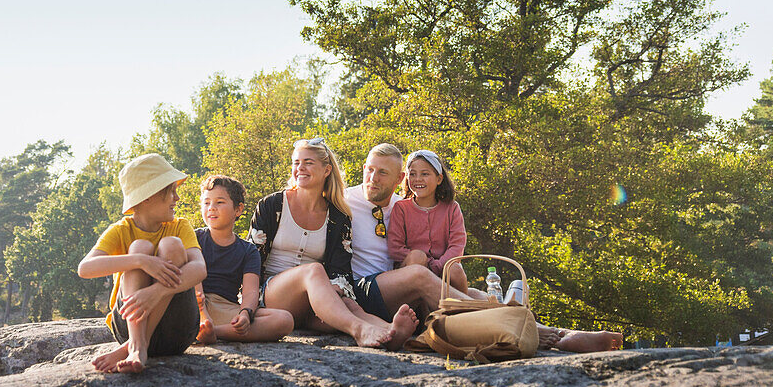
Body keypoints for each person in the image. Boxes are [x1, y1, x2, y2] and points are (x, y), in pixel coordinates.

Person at [346, 143, 623, 353]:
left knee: (471, 292)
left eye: (383, 173)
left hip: (402, 294)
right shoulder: (344, 199)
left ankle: (561, 335)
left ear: (399, 180)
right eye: (369, 169)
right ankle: (517, 322)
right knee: (420, 273)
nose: (373, 178)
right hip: (366, 289)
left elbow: (454, 240)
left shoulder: (405, 203)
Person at [248, 137, 418, 350]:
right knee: (313, 271)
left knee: (349, 305)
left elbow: (341, 270)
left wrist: (334, 293)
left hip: (310, 304)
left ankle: (392, 332)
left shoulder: (338, 215)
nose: (300, 168)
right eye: (296, 163)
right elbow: (251, 260)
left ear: (326, 170)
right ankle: (360, 331)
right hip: (272, 296)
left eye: (308, 162)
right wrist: (247, 306)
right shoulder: (272, 205)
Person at [78, 153, 208, 374]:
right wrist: (141, 261)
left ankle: (134, 347)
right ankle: (137, 345)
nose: (176, 198)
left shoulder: (180, 226)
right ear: (148, 196)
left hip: (177, 329)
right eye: (171, 191)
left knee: (172, 246)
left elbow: (199, 269)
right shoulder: (121, 230)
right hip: (129, 326)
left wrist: (157, 291)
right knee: (139, 248)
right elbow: (85, 268)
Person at [193, 174, 294, 344]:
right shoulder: (194, 238)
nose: (211, 207)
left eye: (219, 202)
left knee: (284, 319)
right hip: (194, 303)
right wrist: (203, 313)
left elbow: (250, 291)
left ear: (238, 210)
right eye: (206, 202)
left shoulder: (248, 250)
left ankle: (212, 332)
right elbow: (192, 277)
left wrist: (245, 313)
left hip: (224, 307)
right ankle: (203, 325)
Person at [387, 149, 468, 291]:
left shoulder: (452, 208)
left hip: (443, 269)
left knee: (454, 268)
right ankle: (418, 310)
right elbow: (395, 249)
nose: (418, 179)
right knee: (417, 257)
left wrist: (437, 266)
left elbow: (457, 246)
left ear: (439, 179)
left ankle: (459, 309)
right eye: (412, 174)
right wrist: (425, 263)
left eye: (425, 174)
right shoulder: (401, 208)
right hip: (411, 271)